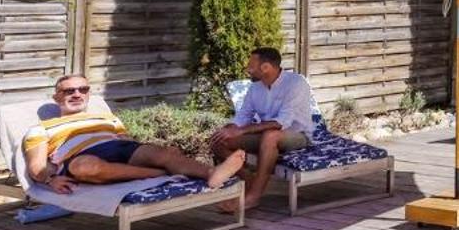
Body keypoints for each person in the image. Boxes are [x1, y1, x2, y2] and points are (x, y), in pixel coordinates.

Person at [23, 74, 245, 194]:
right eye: (69, 91)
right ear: (57, 97)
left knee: (164, 153)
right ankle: (156, 174)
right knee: (84, 167)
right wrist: (50, 179)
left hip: (117, 148)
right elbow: (37, 167)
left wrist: (160, 153)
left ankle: (212, 173)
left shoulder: (107, 118)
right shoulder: (42, 128)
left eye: (83, 89)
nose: (77, 94)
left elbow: (127, 143)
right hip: (81, 155)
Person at [209, 48, 317, 211]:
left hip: (298, 135)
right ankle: (250, 179)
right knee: (219, 139)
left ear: (265, 67)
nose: (247, 69)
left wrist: (243, 131)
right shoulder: (255, 88)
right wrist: (229, 129)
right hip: (266, 135)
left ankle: (253, 197)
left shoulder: (296, 83)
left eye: (251, 66)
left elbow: (282, 122)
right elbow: (243, 116)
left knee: (270, 135)